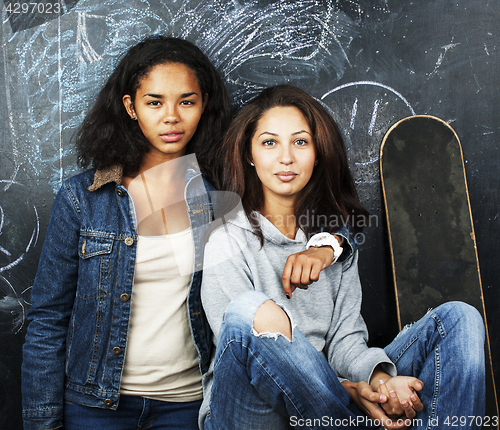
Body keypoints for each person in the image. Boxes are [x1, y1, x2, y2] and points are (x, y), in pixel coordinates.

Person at [21, 37, 353, 430]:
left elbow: (309, 207)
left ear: (204, 103)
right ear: (130, 106)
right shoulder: (85, 198)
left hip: (188, 406)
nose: (171, 117)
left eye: (187, 101)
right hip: (96, 405)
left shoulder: (224, 191)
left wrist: (330, 244)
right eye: (154, 102)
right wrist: (43, 422)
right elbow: (47, 319)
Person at [199, 85, 486, 429]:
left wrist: (380, 383)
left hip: (328, 407)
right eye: (269, 142)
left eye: (300, 142)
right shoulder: (226, 241)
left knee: (460, 318)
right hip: (251, 411)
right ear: (250, 154)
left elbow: (345, 342)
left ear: (318, 153)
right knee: (249, 311)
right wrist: (348, 391)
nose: (286, 157)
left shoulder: (332, 246)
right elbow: (248, 355)